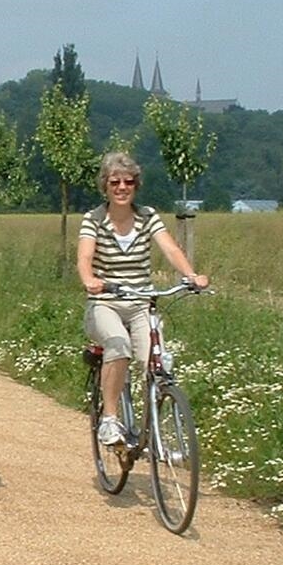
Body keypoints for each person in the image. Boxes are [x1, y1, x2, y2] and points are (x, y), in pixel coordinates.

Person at [77, 152, 209, 446]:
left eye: (128, 182)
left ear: (136, 185)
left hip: (141, 302)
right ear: (105, 186)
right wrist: (90, 280)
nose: (122, 187)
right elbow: (85, 256)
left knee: (157, 359)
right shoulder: (94, 219)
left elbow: (171, 249)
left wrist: (191, 275)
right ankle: (110, 420)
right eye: (115, 182)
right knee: (118, 346)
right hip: (105, 303)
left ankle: (155, 418)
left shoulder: (148, 216)